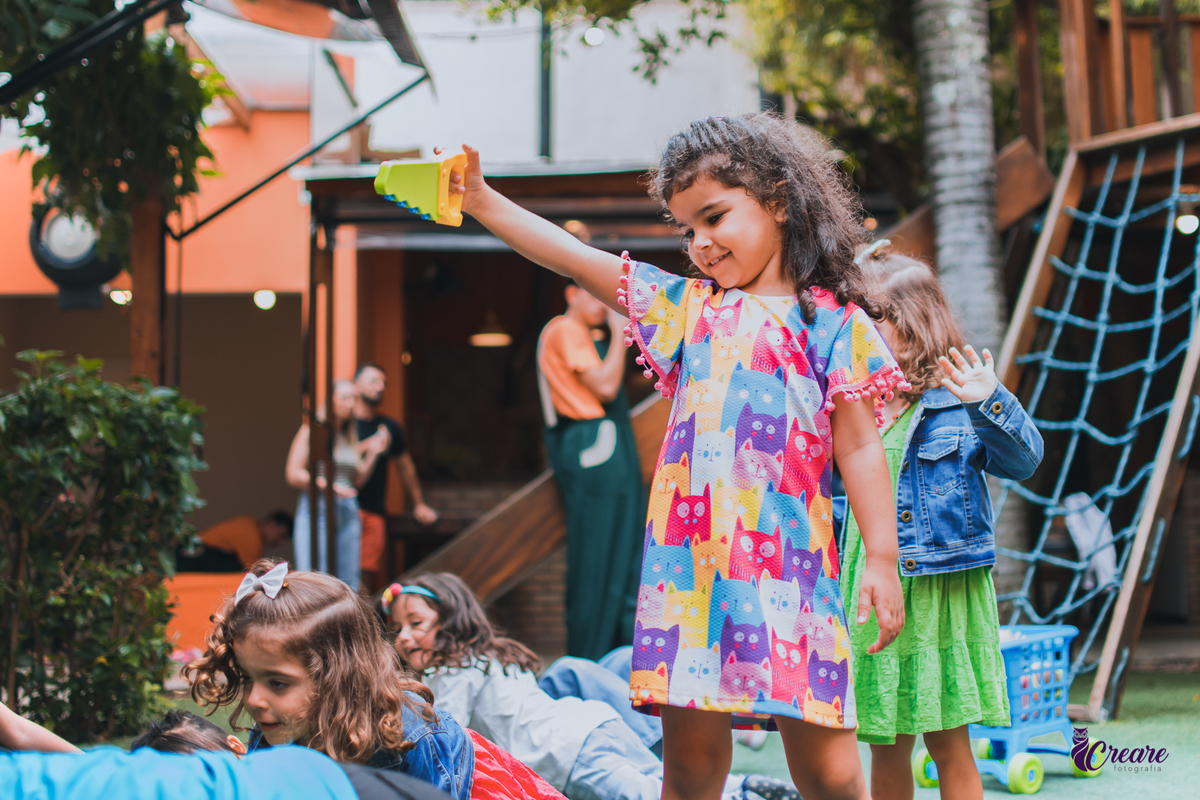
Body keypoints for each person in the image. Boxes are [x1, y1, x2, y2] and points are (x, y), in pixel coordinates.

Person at [440, 112, 906, 800]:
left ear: (778, 199)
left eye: (715, 216)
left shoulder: (835, 323)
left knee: (831, 772)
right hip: (687, 581)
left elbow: (862, 446)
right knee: (688, 770)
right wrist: (479, 197)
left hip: (793, 572)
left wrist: (883, 559)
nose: (701, 244)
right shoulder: (687, 310)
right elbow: (570, 258)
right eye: (687, 228)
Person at [846, 248, 1043, 800]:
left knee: (947, 740)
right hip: (873, 586)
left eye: (871, 321)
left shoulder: (958, 402)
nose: (858, 333)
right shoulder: (855, 401)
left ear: (912, 325)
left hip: (939, 590)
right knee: (885, 742)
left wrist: (991, 403)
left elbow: (1023, 463)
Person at [388, 573, 798, 800]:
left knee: (640, 795)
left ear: (452, 621)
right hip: (591, 724)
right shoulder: (491, 656)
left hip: (565, 754)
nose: (404, 638)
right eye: (399, 629)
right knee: (659, 781)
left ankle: (742, 797)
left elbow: (443, 732)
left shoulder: (453, 672)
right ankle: (742, 786)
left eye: (416, 624)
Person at [185, 560, 475, 800]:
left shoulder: (411, 736)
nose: (254, 700)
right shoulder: (274, 732)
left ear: (337, 677)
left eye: (277, 683)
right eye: (247, 677)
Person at [537, 281, 645, 660]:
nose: (603, 307)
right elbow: (603, 385)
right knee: (598, 553)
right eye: (594, 296)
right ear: (571, 295)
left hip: (601, 442)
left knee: (619, 550)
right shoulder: (565, 329)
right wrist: (619, 334)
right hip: (593, 442)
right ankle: (591, 657)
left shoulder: (581, 333)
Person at [286, 379, 383, 589]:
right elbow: (293, 474)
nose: (350, 403)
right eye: (345, 397)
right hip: (318, 506)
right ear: (331, 400)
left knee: (348, 581)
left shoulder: (349, 435)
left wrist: (373, 453)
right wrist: (328, 486)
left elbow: (356, 480)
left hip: (348, 507)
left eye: (353, 399)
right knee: (314, 577)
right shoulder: (311, 430)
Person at [353, 363, 439, 593]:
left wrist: (419, 504)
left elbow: (406, 467)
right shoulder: (344, 424)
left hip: (373, 511)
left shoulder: (389, 427)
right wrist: (369, 446)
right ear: (356, 384)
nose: (380, 387)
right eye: (373, 381)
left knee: (365, 578)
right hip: (342, 508)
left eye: (383, 383)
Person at [177, 510, 295, 573]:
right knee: (240, 571)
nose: (279, 541)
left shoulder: (249, 522)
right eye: (281, 535)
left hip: (188, 550)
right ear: (272, 523)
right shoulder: (253, 534)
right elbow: (253, 572)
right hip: (192, 555)